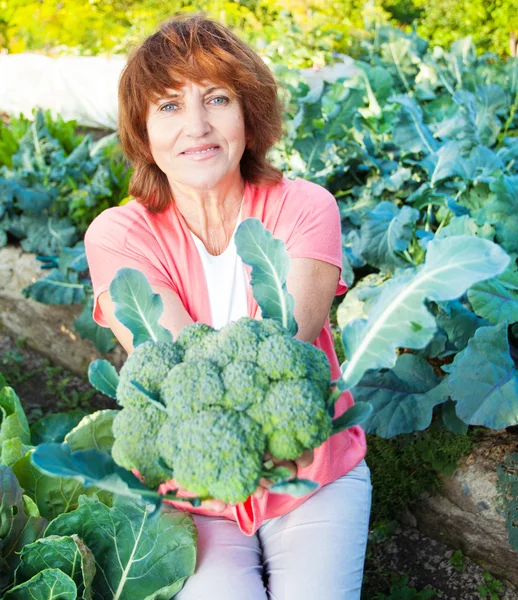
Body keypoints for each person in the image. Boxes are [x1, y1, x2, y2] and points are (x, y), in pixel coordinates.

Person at [84, 13, 371, 599]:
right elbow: (181, 377)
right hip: (189, 483)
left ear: (249, 114)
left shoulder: (305, 207)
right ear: (142, 129)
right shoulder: (118, 236)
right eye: (168, 106)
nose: (196, 126)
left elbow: (281, 350)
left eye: (216, 99)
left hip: (312, 468)